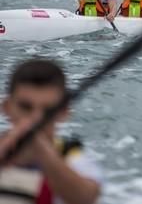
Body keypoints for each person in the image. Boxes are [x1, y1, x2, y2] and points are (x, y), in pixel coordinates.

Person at [0, 59, 102, 204]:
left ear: (64, 112)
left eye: (48, 110)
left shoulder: (75, 162)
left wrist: (42, 149)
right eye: (26, 107)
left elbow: (85, 199)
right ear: (6, 107)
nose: (36, 118)